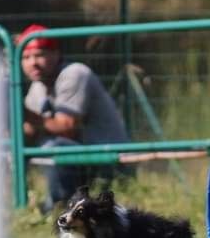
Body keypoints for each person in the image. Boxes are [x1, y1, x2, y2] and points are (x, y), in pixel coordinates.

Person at [18, 23, 131, 214]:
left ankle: (58, 208)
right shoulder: (38, 87)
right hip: (82, 160)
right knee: (8, 150)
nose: (33, 63)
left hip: (109, 160)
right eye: (26, 57)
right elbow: (28, 132)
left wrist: (22, 113)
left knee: (55, 147)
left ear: (56, 53)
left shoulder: (74, 74)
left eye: (39, 54)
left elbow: (67, 127)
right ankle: (17, 207)